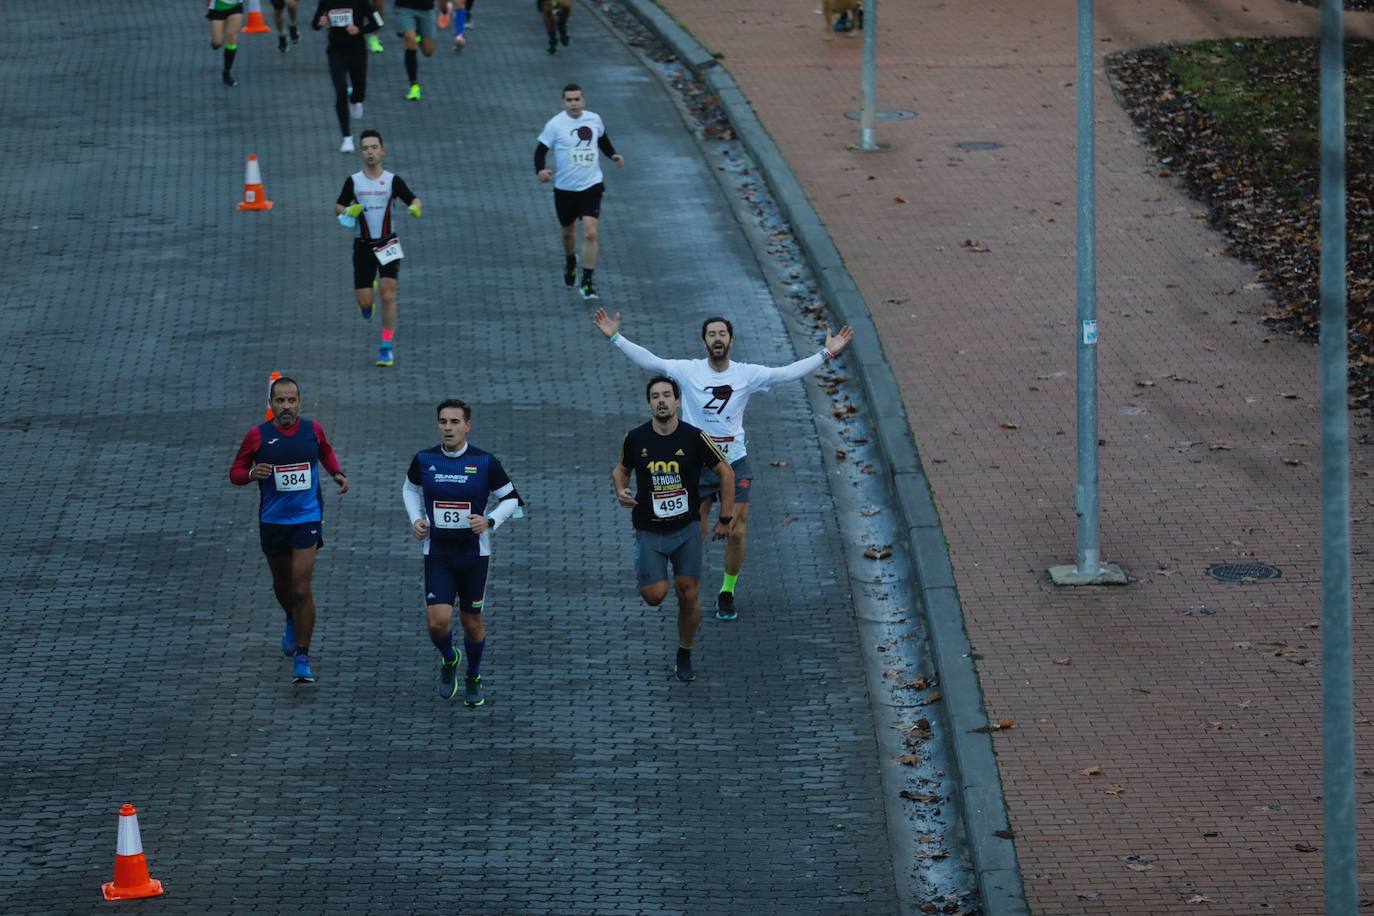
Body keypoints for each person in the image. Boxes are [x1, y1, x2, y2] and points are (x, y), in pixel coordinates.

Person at [595, 309, 853, 621]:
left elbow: (786, 373)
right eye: (711, 334)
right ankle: (687, 581)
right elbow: (650, 361)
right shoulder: (688, 371)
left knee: (738, 529)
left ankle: (727, 590)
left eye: (722, 334)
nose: (717, 338)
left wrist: (826, 353)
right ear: (704, 342)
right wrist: (616, 338)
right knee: (696, 531)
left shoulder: (746, 374)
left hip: (735, 461)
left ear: (731, 340)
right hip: (696, 466)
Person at [613, 376, 734, 683]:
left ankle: (684, 651)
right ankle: (651, 573)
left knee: (688, 592)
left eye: (667, 395)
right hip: (649, 531)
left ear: (678, 402)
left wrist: (725, 517)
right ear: (649, 404)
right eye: (656, 396)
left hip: (686, 530)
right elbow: (621, 469)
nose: (662, 400)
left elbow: (726, 472)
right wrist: (621, 489)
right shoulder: (636, 438)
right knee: (655, 595)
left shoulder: (695, 437)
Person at [229, 377, 350, 684]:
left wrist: (336, 473)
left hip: (306, 518)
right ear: (270, 404)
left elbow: (325, 451)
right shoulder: (258, 436)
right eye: (280, 401)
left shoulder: (313, 430)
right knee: (282, 583)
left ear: (300, 403)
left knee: (301, 586)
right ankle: (290, 618)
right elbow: (235, 472)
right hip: (273, 521)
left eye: (291, 400)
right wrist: (252, 474)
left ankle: (303, 655)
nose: (286, 407)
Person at [403, 399, 522, 706]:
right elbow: (409, 488)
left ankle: (473, 675)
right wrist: (416, 519)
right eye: (443, 422)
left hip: (474, 556)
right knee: (437, 621)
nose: (448, 428)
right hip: (438, 553)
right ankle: (449, 657)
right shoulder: (424, 459)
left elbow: (512, 499)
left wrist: (490, 520)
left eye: (455, 422)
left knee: (472, 622)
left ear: (467, 425)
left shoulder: (485, 462)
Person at [335, 129, 422, 367]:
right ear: (361, 153)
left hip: (387, 243)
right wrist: (347, 211)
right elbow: (338, 206)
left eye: (374, 147)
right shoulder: (354, 181)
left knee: (388, 293)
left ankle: (386, 346)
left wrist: (415, 208)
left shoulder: (392, 180)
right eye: (365, 148)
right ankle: (367, 303)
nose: (370, 152)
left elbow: (413, 199)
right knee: (365, 301)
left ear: (382, 151)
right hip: (362, 245)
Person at [535, 84, 624, 301]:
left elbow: (601, 138)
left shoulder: (594, 119)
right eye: (569, 100)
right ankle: (570, 261)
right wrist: (540, 171)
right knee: (568, 231)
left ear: (583, 101)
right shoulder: (555, 125)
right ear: (563, 103)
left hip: (591, 185)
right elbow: (540, 150)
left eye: (577, 99)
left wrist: (612, 155)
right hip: (565, 189)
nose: (573, 103)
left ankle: (587, 281)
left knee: (591, 232)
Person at [313, 0, 384, 153]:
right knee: (340, 91)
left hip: (357, 52)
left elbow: (378, 22)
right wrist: (321, 22)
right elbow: (315, 24)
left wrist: (360, 29)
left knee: (359, 93)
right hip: (336, 52)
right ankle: (347, 137)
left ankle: (355, 99)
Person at [392, 0, 437, 99]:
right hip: (404, 7)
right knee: (410, 39)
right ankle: (414, 85)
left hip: (426, 9)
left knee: (428, 51)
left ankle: (415, 35)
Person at [206, 0, 244, 87]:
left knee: (232, 37)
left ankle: (227, 72)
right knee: (217, 43)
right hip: (217, 8)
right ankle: (216, 40)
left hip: (235, 6)